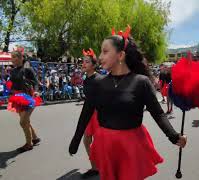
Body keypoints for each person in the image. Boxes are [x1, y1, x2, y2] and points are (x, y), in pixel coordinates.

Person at [69, 26, 187, 180]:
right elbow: (86, 114)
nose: (99, 57)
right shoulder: (98, 83)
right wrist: (76, 140)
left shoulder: (141, 82)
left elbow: (158, 113)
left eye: (105, 51)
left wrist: (174, 136)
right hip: (105, 145)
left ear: (120, 55)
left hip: (131, 145)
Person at [8, 48, 41, 153]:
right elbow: (12, 84)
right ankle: (34, 138)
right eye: (11, 57)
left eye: (14, 57)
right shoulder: (13, 71)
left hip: (28, 97)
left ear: (20, 58)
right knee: (25, 120)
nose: (12, 59)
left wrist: (36, 91)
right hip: (17, 98)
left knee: (23, 121)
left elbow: (35, 82)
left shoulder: (28, 69)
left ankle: (29, 144)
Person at [79, 48, 101, 179]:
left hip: (99, 115)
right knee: (86, 140)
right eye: (83, 61)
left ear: (93, 64)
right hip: (89, 114)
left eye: (87, 62)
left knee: (101, 143)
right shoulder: (86, 79)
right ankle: (95, 167)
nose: (83, 64)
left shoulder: (100, 79)